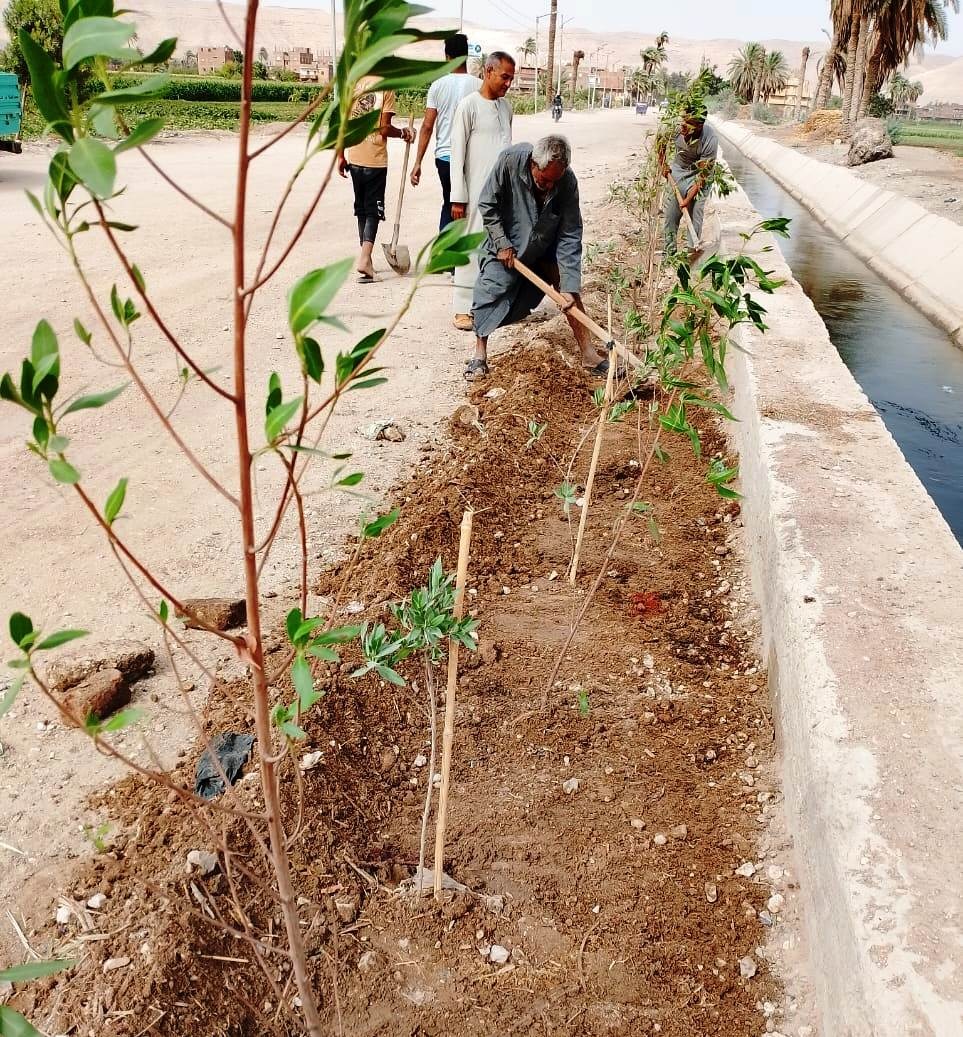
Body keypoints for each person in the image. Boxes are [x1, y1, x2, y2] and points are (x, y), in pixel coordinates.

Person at [467, 136, 608, 382]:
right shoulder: (510, 161)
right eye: (545, 180)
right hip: (507, 243)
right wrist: (501, 243)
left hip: (545, 245)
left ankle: (589, 354)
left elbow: (570, 233)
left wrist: (569, 285)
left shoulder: (566, 182)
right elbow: (488, 204)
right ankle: (479, 354)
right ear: (534, 164)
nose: (551, 186)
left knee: (570, 295)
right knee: (490, 289)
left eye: (556, 181)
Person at [448, 51, 516, 332]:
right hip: (474, 192)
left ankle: (490, 306)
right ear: (488, 72)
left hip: (502, 193)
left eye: (511, 78)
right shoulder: (468, 106)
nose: (508, 83)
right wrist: (458, 197)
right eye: (504, 76)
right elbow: (457, 154)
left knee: (497, 247)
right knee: (471, 245)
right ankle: (462, 308)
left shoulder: (506, 108)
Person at [337, 78, 415, 282]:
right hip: (375, 160)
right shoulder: (386, 87)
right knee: (373, 210)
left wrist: (340, 155)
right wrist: (403, 133)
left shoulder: (353, 82)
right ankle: (364, 259)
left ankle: (367, 259)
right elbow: (384, 129)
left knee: (362, 208)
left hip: (354, 156)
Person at [409, 33, 480, 231]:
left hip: (445, 158)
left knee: (450, 204)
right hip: (471, 158)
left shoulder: (437, 86)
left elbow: (427, 126)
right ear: (466, 56)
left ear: (447, 56)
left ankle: (445, 258)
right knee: (470, 209)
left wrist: (417, 163)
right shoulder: (480, 86)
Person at [661, 101, 718, 255]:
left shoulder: (710, 139)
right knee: (670, 216)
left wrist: (687, 200)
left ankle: (691, 255)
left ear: (699, 126)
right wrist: (663, 165)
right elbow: (660, 143)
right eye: (683, 120)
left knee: (695, 215)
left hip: (699, 176)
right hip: (678, 171)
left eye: (689, 123)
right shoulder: (676, 128)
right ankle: (669, 254)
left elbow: (703, 175)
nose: (683, 126)